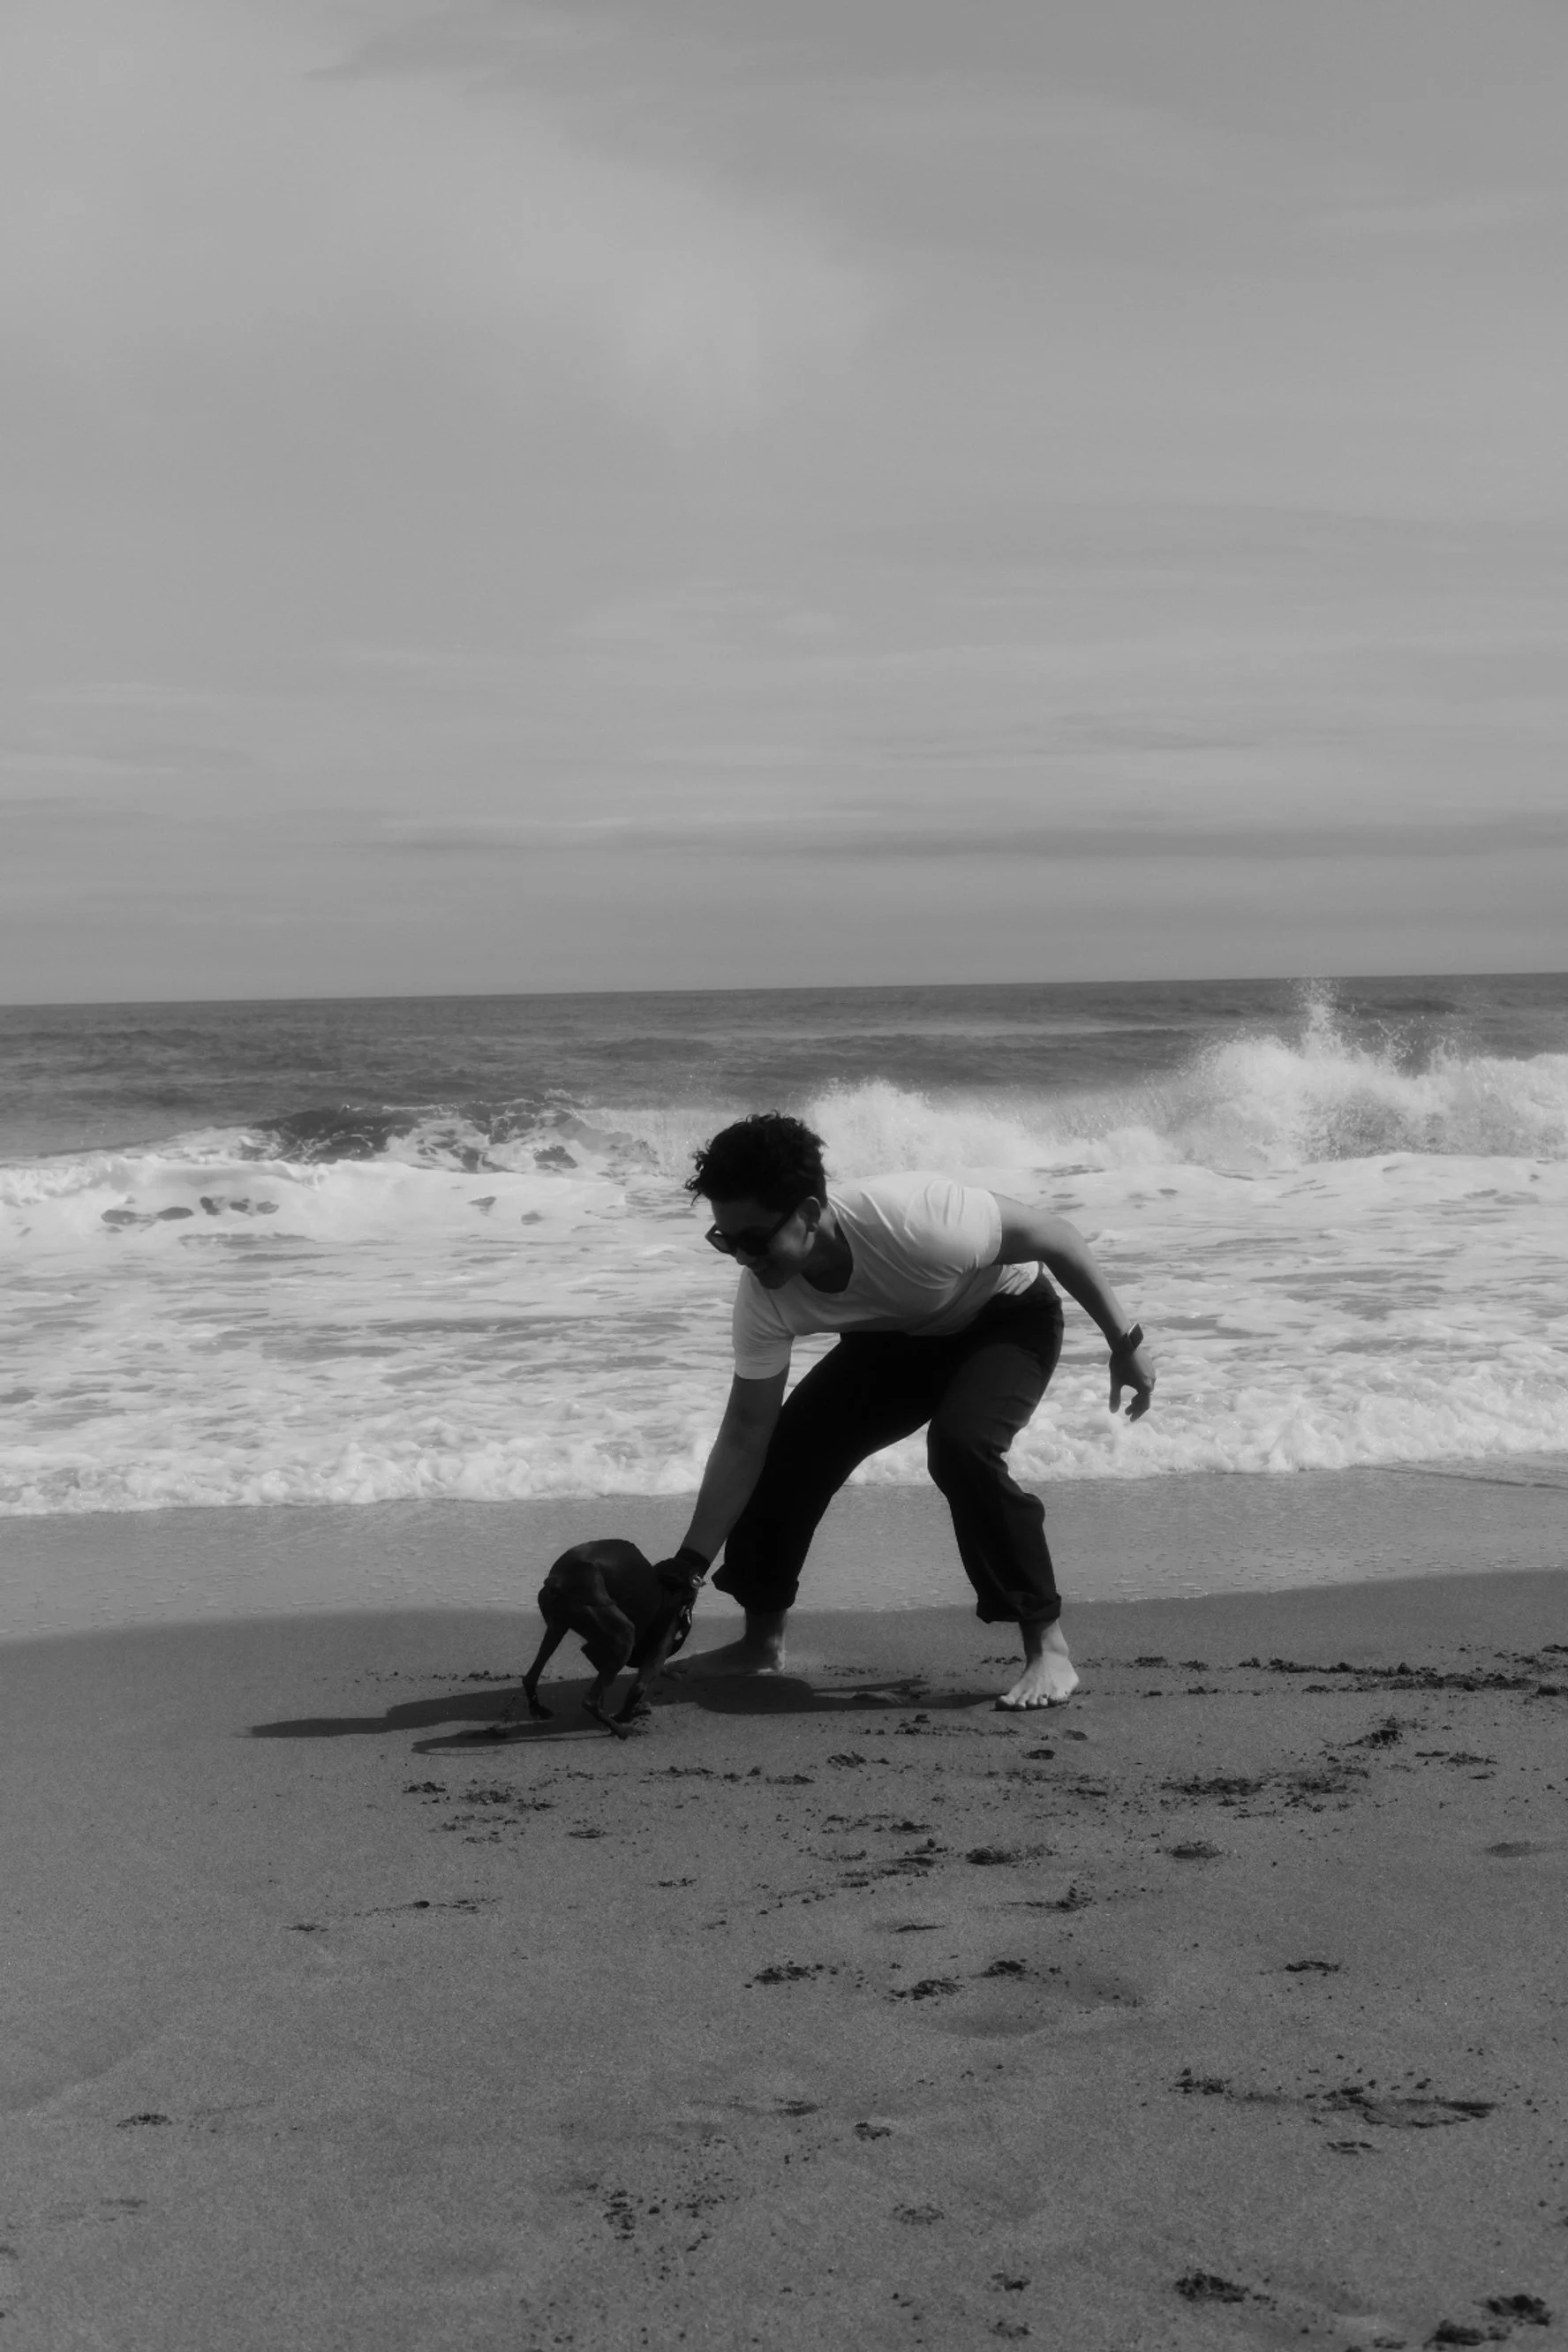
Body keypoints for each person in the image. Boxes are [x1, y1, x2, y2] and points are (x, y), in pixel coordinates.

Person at [652, 1112, 1153, 1710]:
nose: (742, 1258)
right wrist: (688, 1568)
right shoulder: (766, 1296)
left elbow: (1059, 1238)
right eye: (725, 1241)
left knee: (962, 1448)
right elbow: (743, 1437)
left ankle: (1049, 1649)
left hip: (1004, 1320)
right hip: (895, 1342)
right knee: (784, 1453)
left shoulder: (920, 1220)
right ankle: (761, 1642)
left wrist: (1126, 1345)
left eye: (755, 1239)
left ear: (811, 1213)